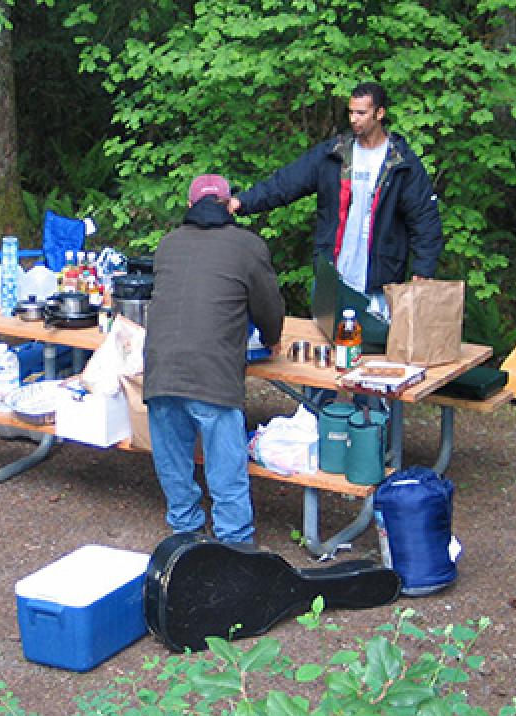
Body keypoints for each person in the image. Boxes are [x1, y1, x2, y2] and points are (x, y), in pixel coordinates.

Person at [143, 174, 285, 544]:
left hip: (161, 372)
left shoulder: (167, 244)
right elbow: (269, 308)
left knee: (174, 463)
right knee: (227, 471)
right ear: (228, 205)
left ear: (191, 207)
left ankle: (185, 534)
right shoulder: (247, 246)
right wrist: (272, 339)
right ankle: (234, 544)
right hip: (214, 376)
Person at [228, 82, 443, 312]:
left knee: (375, 348)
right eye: (351, 112)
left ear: (380, 113)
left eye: (361, 113)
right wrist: (241, 202)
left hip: (380, 285)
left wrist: (423, 269)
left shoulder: (402, 164)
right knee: (326, 345)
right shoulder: (333, 155)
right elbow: (286, 183)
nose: (354, 119)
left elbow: (425, 220)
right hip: (333, 279)